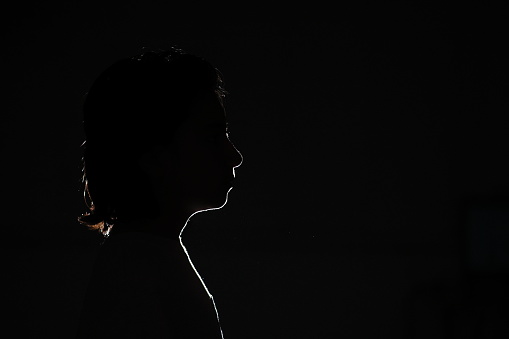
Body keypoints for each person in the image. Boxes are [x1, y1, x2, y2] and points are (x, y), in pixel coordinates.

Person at [75, 47, 243, 338]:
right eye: (212, 137)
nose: (235, 156)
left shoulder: (146, 257)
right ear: (152, 157)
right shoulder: (134, 273)